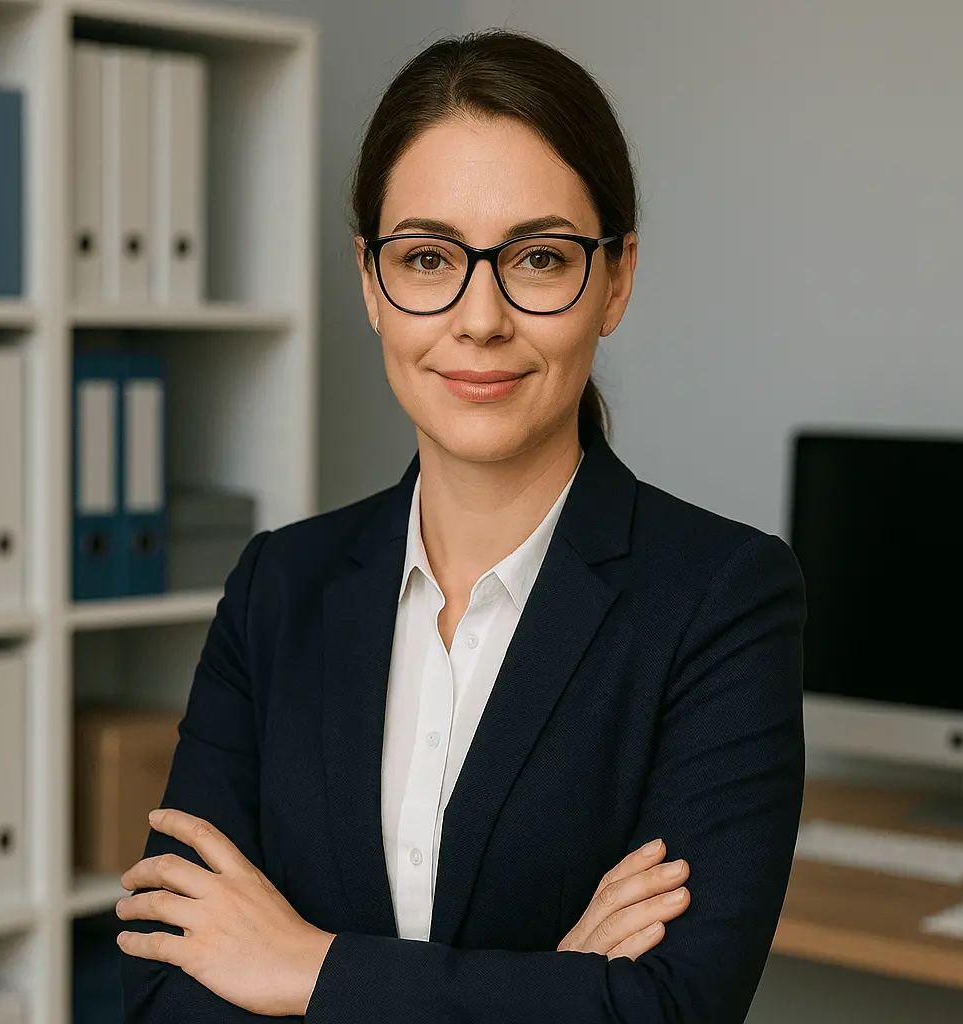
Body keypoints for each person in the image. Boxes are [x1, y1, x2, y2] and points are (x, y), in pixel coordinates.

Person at [115, 28, 806, 1023]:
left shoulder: (721, 598)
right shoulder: (278, 586)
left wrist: (304, 968)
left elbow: (673, 1011)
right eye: (430, 257)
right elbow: (162, 988)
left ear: (616, 279)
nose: (479, 317)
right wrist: (554, 987)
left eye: (537, 257)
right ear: (370, 280)